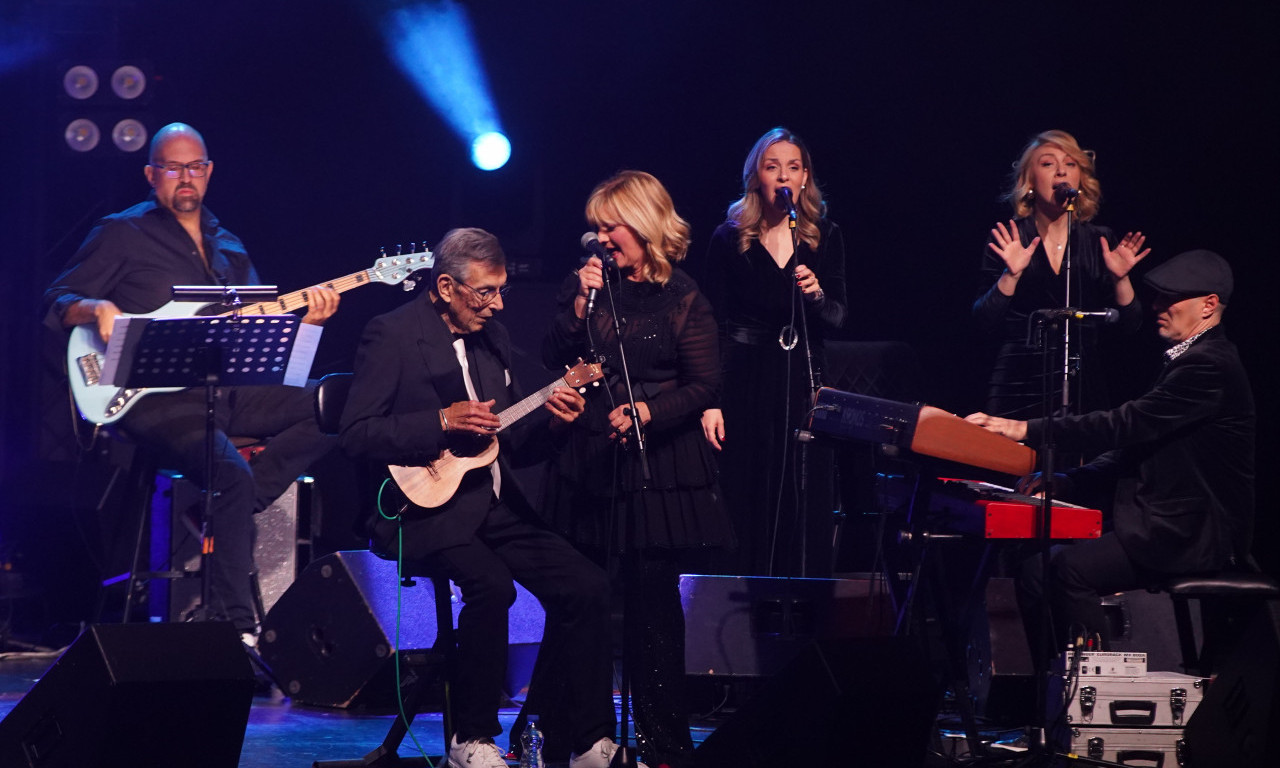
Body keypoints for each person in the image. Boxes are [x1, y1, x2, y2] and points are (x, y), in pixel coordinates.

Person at [339, 228, 632, 768]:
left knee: (587, 585)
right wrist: (439, 421)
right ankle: (470, 739)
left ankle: (588, 742)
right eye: (485, 292)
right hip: (423, 510)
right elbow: (357, 433)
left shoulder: (493, 338)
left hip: (491, 505)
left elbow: (512, 440)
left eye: (501, 291)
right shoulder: (393, 333)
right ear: (446, 287)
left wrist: (556, 421)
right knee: (491, 586)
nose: (497, 305)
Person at [42, 122, 340, 644]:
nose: (186, 177)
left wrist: (308, 326)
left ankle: (226, 507)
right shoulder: (122, 232)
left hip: (226, 391)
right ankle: (235, 630)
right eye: (173, 168)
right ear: (150, 174)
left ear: (209, 171)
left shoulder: (229, 248)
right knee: (231, 475)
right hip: (149, 396)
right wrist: (97, 306)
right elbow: (56, 300)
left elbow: (261, 351)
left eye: (195, 167)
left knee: (340, 398)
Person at [966, 249, 1255, 658]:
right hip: (1166, 526)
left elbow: (1123, 424)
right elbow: (1133, 447)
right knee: (1033, 571)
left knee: (1071, 570)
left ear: (1208, 305)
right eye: (1157, 297)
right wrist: (1069, 481)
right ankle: (1049, 686)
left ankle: (1094, 687)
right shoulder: (1186, 360)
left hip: (1190, 534)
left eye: (1169, 298)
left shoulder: (1211, 365)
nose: (1156, 306)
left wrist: (1023, 429)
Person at [542, 170, 733, 768]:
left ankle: (662, 743)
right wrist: (580, 302)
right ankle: (570, 735)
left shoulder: (684, 296)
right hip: (591, 457)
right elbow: (555, 354)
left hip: (658, 463)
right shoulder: (588, 286)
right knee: (583, 598)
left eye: (611, 226)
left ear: (645, 225)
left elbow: (705, 384)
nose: (600, 238)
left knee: (653, 607)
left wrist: (649, 411)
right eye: (595, 228)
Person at [700, 127, 847, 578]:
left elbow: (838, 317)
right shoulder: (729, 239)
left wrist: (817, 296)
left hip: (802, 377)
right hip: (745, 377)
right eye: (772, 166)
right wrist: (711, 400)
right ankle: (740, 598)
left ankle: (801, 596)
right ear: (757, 178)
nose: (784, 176)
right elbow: (712, 325)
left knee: (802, 487)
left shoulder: (824, 236)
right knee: (746, 488)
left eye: (793, 167)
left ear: (804, 179)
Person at [974, 129, 1151, 419]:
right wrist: (1010, 275)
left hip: (1082, 377)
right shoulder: (1010, 238)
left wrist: (1120, 279)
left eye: (1070, 164)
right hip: (1018, 381)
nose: (1061, 171)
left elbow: (1130, 325)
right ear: (1030, 181)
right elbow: (983, 321)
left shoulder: (1099, 240)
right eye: (1048, 163)